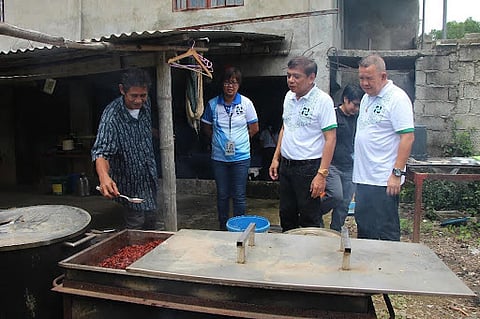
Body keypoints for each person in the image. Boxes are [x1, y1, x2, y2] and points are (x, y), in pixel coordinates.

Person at [269, 56, 337, 232]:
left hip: (309, 168)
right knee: (286, 214)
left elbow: (331, 138)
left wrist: (321, 175)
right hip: (287, 166)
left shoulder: (323, 101)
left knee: (309, 218)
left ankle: (310, 257)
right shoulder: (288, 97)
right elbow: (286, 127)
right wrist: (276, 157)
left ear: (311, 77)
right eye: (289, 75)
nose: (291, 80)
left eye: (296, 76)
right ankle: (289, 255)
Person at [353, 54, 415, 241]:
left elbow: (407, 137)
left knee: (386, 230)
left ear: (383, 76)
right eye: (361, 78)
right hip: (364, 177)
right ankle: (367, 268)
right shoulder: (366, 98)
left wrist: (396, 174)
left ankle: (390, 269)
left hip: (383, 179)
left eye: (369, 78)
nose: (364, 83)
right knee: (364, 228)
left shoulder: (397, 98)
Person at [91, 68, 159, 230]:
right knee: (135, 227)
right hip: (130, 186)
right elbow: (101, 152)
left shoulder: (146, 104)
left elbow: (142, 127)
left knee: (151, 222)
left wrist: (159, 134)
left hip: (149, 180)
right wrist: (104, 177)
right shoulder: (112, 116)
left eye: (143, 95)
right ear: (122, 90)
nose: (138, 101)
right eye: (134, 96)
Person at [201, 67, 259, 230]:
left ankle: (239, 227)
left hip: (241, 158)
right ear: (222, 84)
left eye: (233, 82)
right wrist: (218, 141)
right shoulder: (212, 104)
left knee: (239, 195)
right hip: (219, 158)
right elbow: (206, 127)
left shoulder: (246, 103)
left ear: (238, 85)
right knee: (222, 194)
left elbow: (254, 128)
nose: (230, 86)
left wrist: (240, 142)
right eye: (227, 82)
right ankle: (223, 227)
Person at [326, 84, 364, 232]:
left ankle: (335, 230)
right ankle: (315, 214)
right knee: (335, 195)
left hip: (351, 166)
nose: (357, 109)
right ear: (345, 99)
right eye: (355, 105)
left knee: (345, 203)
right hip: (333, 164)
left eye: (359, 106)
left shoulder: (358, 118)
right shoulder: (333, 115)